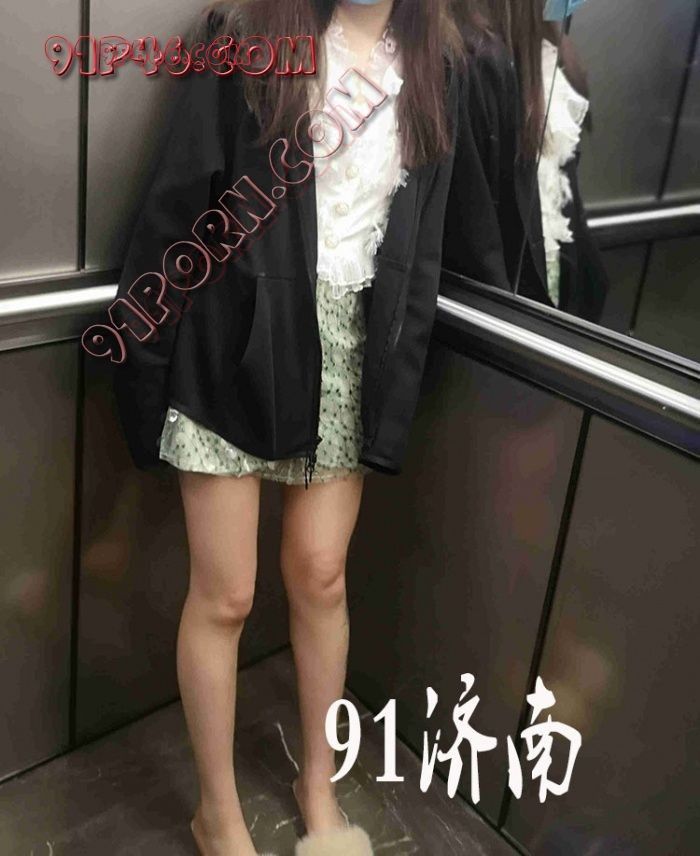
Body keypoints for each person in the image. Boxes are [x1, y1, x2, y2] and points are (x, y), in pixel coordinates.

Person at [111, 1, 466, 854]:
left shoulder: (436, 63)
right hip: (232, 335)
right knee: (226, 593)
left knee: (321, 575)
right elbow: (178, 202)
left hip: (350, 346)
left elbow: (424, 247)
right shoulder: (247, 30)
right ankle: (219, 815)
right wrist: (142, 360)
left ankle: (318, 787)